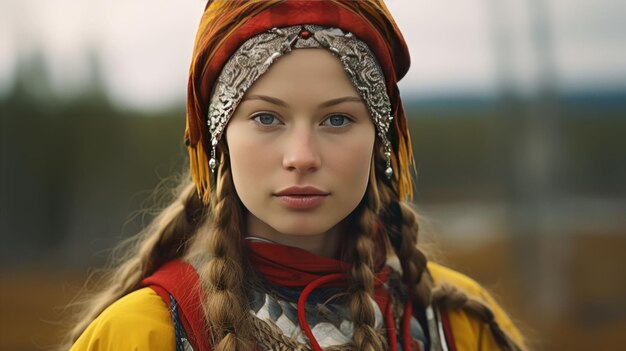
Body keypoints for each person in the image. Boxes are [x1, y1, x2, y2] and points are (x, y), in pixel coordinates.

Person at [66, 1, 526, 350]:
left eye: (337, 120)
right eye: (267, 118)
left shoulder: (456, 325)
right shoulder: (142, 333)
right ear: (220, 140)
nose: (301, 157)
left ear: (379, 140)